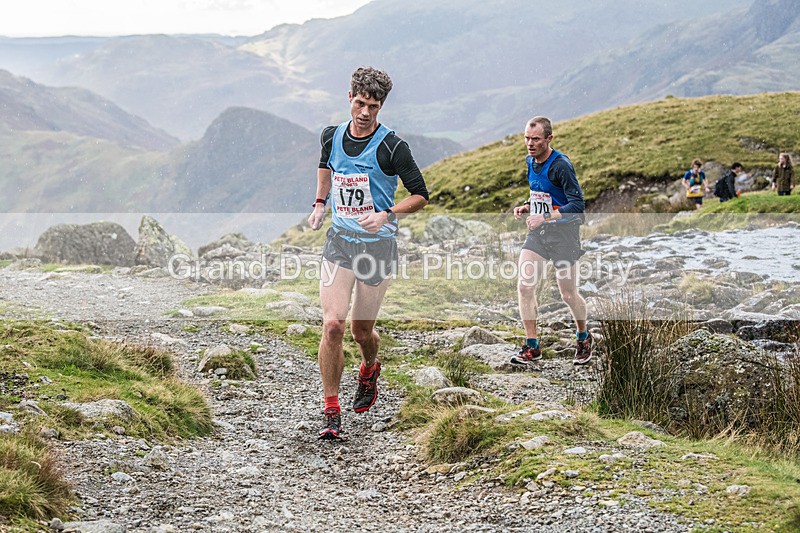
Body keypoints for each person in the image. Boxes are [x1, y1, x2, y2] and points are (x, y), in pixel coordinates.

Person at [307, 66, 429, 440]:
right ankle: (331, 409)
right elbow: (326, 168)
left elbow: (421, 194)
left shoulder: (393, 147)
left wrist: (387, 213)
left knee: (362, 332)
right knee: (332, 325)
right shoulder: (332, 135)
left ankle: (369, 368)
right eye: (360, 103)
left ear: (381, 106)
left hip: (378, 247)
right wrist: (319, 203)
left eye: (373, 106)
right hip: (340, 242)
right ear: (349, 98)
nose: (364, 113)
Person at [510, 116, 591, 368]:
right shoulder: (530, 161)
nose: (530, 144)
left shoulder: (561, 165)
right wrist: (528, 206)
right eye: (526, 138)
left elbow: (578, 206)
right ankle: (532, 347)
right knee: (525, 286)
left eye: (536, 139)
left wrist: (544, 216)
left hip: (564, 235)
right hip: (539, 235)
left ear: (549, 139)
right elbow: (542, 191)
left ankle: (583, 337)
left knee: (567, 294)